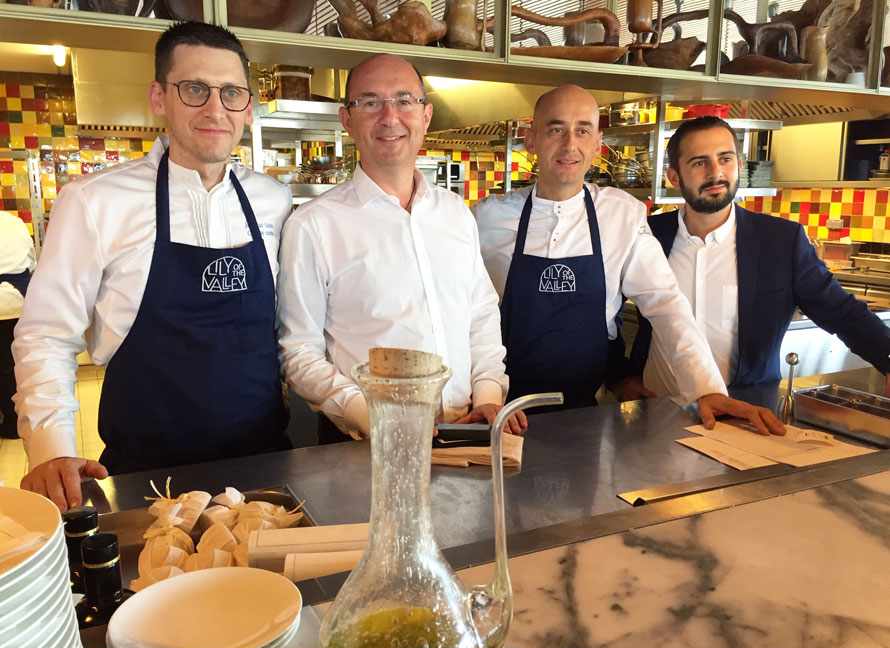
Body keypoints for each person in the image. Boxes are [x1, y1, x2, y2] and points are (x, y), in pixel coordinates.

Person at [13, 21, 293, 511]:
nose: (214, 109)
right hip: (147, 483)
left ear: (247, 107)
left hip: (264, 475)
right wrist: (51, 448)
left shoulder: (272, 200)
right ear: (159, 97)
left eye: (231, 93)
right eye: (194, 89)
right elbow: (45, 335)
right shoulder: (94, 202)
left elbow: (287, 329)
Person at [474, 85, 784, 435]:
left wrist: (706, 388)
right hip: (498, 413)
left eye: (582, 130)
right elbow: (463, 315)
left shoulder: (621, 215)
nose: (569, 144)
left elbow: (666, 303)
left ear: (597, 143)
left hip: (586, 417)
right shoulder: (486, 220)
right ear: (531, 140)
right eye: (555, 129)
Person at [277, 53, 524, 443]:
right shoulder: (313, 225)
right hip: (366, 446)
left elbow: (480, 315)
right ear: (348, 120)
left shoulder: (455, 213)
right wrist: (371, 417)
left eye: (405, 100)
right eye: (371, 102)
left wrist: (490, 396)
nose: (390, 117)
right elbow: (299, 352)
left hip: (470, 430)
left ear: (425, 115)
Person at [628, 115, 890, 396]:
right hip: (656, 412)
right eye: (700, 162)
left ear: (740, 166)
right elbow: (602, 310)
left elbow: (842, 312)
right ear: (674, 177)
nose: (715, 172)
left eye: (725, 159)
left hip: (744, 415)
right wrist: (622, 379)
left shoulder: (781, 242)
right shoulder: (646, 235)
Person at [0, 210, 36, 439]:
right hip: (15, 304)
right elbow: (31, 261)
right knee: (11, 366)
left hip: (11, 303)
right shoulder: (14, 222)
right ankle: (14, 421)